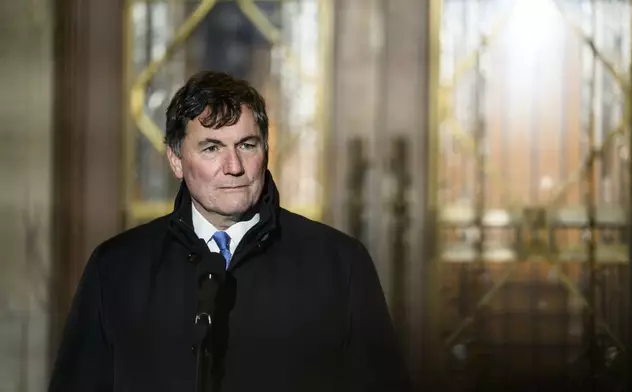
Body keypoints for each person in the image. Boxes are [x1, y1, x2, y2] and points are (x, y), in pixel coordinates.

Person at [48, 71, 411, 392]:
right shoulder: (116, 268)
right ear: (176, 160)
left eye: (246, 145)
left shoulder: (339, 263)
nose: (233, 166)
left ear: (265, 150)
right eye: (211, 148)